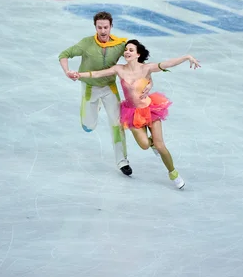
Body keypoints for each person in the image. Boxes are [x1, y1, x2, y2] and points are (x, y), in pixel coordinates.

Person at [68, 39, 201, 189]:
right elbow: (99, 73)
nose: (127, 52)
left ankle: (173, 173)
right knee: (145, 145)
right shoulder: (119, 69)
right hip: (131, 113)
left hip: (151, 109)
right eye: (126, 50)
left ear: (138, 54)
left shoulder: (146, 68)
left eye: (131, 50)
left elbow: (166, 64)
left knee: (160, 144)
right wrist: (79, 74)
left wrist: (186, 57)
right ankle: (152, 145)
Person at [58, 12, 152, 176]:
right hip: (90, 87)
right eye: (100, 27)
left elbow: (140, 62)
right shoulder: (86, 44)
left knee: (117, 123)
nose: (103, 31)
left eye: (106, 27)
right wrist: (67, 71)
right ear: (95, 27)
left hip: (109, 87)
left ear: (111, 27)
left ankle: (122, 161)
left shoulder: (120, 44)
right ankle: (94, 109)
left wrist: (149, 83)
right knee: (89, 126)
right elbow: (63, 55)